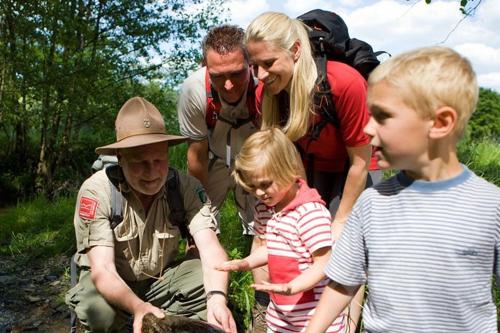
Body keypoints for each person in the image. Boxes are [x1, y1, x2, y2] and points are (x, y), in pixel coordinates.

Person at [306, 46, 500, 333]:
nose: (368, 128)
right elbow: (343, 282)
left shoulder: (489, 206)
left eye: (382, 116)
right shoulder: (371, 203)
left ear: (440, 123)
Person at [244, 11, 371, 330]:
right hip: (300, 169)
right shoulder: (265, 94)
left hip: (347, 170)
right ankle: (267, 317)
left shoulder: (344, 83)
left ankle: (345, 324)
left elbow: (361, 161)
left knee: (344, 247)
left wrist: (339, 221)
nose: (260, 74)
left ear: (296, 51)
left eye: (269, 63)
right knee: (269, 233)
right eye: (254, 65)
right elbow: (272, 153)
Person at [66, 97, 236, 333]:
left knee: (203, 279)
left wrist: (217, 298)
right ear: (120, 158)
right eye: (140, 163)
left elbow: (211, 249)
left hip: (160, 280)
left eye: (159, 160)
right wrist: (138, 307)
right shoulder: (97, 191)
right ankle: (135, 321)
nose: (152, 172)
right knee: (100, 313)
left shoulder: (185, 187)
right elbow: (102, 269)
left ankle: (166, 324)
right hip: (112, 282)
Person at [177, 25, 269, 332]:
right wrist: (200, 208)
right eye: (217, 76)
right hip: (213, 155)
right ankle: (198, 295)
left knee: (265, 221)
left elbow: (275, 143)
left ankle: (264, 305)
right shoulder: (193, 91)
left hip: (257, 153)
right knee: (200, 220)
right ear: (205, 67)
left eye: (236, 73)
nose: (228, 85)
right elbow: (196, 157)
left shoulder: (265, 84)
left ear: (249, 64)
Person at [217, 128, 347, 333]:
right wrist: (247, 262)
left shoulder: (309, 212)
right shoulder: (266, 208)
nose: (259, 193)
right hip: (281, 318)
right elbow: (272, 248)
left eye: (265, 184)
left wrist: (292, 287)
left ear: (288, 170)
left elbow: (324, 262)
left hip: (314, 320)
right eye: (252, 186)